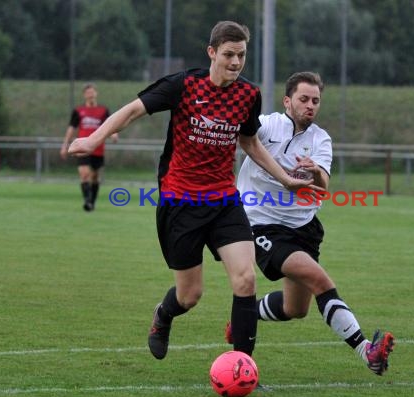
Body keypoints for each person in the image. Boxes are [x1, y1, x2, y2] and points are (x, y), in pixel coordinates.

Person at [68, 21, 316, 360]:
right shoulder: (184, 85)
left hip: (224, 200)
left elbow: (250, 143)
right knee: (190, 295)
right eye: (228, 54)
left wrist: (286, 179)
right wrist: (94, 138)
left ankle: (243, 367)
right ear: (212, 52)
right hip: (180, 202)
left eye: (241, 55)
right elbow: (132, 111)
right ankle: (164, 315)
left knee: (245, 280)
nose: (235, 62)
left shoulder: (248, 95)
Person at [228, 71, 394, 376]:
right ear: (287, 100)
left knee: (296, 309)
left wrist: (315, 170)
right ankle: (366, 351)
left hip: (304, 229)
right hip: (262, 225)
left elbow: (324, 186)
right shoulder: (267, 125)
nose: (310, 105)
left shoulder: (321, 139)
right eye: (304, 99)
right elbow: (246, 139)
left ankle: (245, 317)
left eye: (316, 100)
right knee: (321, 281)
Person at [60, 83, 118, 212]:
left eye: (92, 92)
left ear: (96, 93)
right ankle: (87, 201)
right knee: (85, 174)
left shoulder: (103, 111)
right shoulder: (78, 111)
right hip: (82, 147)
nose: (90, 94)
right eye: (88, 92)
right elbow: (71, 129)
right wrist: (65, 145)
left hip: (97, 148)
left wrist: (114, 135)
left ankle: (92, 202)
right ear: (84, 95)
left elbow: (111, 124)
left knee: (95, 177)